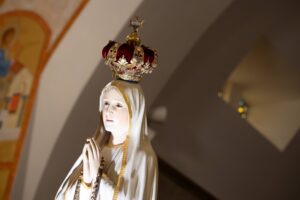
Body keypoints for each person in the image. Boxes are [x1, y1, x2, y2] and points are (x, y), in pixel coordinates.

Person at [55, 17, 158, 200]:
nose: (109, 111)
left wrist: (96, 177)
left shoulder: (143, 158)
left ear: (135, 111)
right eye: (106, 104)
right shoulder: (98, 146)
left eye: (118, 105)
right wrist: (87, 182)